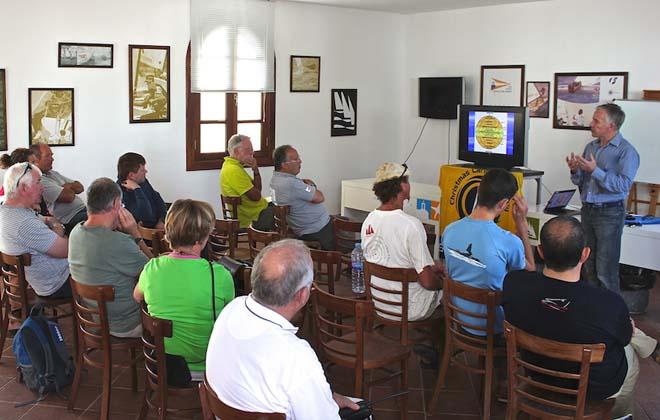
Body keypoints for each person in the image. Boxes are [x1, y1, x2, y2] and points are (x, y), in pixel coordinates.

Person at [503, 216, 657, 418]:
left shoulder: (514, 284)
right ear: (585, 254)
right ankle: (621, 415)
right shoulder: (608, 303)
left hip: (536, 374)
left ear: (540, 251)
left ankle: (650, 346)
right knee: (630, 353)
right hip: (593, 390)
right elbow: (625, 338)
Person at [206, 239, 359, 418]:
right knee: (360, 407)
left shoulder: (232, 309)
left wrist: (325, 397)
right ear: (302, 295)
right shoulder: (295, 355)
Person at [134, 199, 234, 381]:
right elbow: (229, 316)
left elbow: (137, 296)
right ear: (201, 239)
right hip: (206, 363)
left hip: (162, 361)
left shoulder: (152, 267)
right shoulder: (219, 275)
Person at [442, 168, 535, 336]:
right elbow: (531, 271)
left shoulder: (450, 230)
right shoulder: (508, 241)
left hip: (459, 320)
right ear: (502, 204)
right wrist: (521, 225)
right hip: (494, 328)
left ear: (479, 191)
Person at [566, 103, 639, 294]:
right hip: (588, 210)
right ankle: (592, 310)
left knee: (606, 269)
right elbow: (580, 181)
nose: (591, 124)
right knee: (588, 264)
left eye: (596, 121)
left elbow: (623, 186)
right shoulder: (591, 146)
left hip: (610, 213)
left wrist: (595, 171)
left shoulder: (627, 152)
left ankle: (611, 316)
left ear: (611, 126)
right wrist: (575, 169)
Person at [68, 178, 152, 338]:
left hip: (97, 318)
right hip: (127, 324)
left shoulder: (75, 233)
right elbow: (155, 274)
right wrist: (135, 234)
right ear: (115, 204)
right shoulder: (119, 242)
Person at [361, 163, 444, 321]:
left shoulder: (369, 221)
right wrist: (443, 283)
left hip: (378, 303)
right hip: (409, 309)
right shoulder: (412, 225)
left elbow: (392, 259)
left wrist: (431, 266)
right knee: (449, 289)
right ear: (402, 187)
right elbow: (427, 282)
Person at [0, 162, 71, 298]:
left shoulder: (7, 210)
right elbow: (66, 250)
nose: (42, 188)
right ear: (24, 188)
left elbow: (45, 219)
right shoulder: (24, 223)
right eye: (38, 182)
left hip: (42, 280)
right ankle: (104, 316)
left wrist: (51, 223)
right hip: (57, 284)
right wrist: (58, 227)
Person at [270, 145, 335, 250]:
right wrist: (311, 186)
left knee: (341, 220)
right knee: (351, 229)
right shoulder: (292, 184)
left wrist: (304, 186)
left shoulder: (275, 179)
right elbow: (320, 197)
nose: (300, 161)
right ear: (284, 165)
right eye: (295, 159)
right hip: (317, 230)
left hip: (304, 227)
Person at [220, 134, 273, 230]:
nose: (252, 153)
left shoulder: (232, 165)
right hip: (252, 219)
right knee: (285, 208)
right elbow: (256, 197)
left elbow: (258, 191)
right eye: (248, 149)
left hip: (257, 211)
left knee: (279, 203)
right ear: (236, 151)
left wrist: (255, 170)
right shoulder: (233, 170)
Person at [31, 144, 87, 235]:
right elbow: (69, 197)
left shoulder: (53, 173)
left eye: (52, 155)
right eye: (48, 156)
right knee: (106, 220)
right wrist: (66, 187)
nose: (52, 159)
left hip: (83, 210)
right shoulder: (39, 180)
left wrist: (65, 187)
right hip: (71, 219)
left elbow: (80, 187)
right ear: (36, 160)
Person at [117, 152, 167, 229]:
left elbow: (159, 201)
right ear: (131, 175)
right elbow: (146, 216)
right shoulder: (118, 193)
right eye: (142, 170)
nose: (146, 172)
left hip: (157, 231)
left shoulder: (143, 182)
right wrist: (137, 189)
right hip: (139, 236)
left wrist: (162, 220)